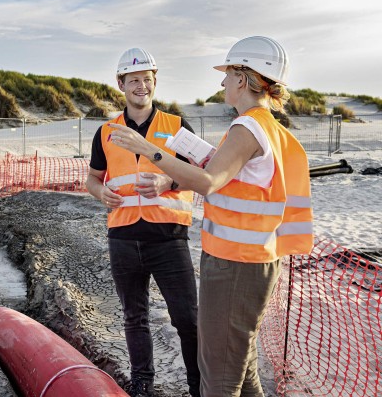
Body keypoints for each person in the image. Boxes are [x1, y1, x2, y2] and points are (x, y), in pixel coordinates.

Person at [108, 36, 314, 397]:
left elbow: (208, 182)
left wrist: (147, 149)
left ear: (242, 77)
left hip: (235, 264)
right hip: (255, 259)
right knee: (242, 366)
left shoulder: (248, 127)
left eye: (227, 74)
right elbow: (237, 180)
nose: (221, 83)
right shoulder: (268, 127)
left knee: (218, 376)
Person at [86, 47, 201, 397]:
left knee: (188, 321)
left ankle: (199, 387)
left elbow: (203, 174)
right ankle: (142, 385)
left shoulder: (178, 127)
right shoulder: (105, 131)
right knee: (134, 318)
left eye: (147, 80)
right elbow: (93, 178)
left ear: (154, 83)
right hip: (122, 238)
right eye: (134, 80)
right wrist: (98, 193)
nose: (141, 86)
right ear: (121, 83)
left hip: (168, 238)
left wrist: (169, 181)